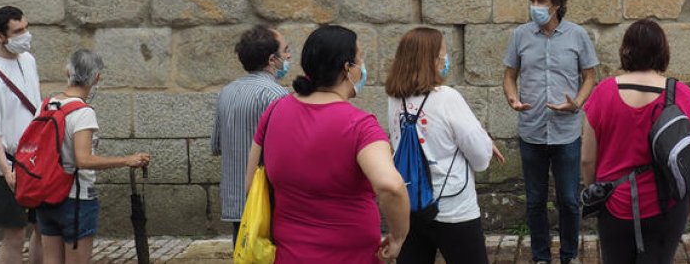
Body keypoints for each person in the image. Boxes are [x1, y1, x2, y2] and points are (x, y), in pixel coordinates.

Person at [246, 24, 409, 263]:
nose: (362, 66)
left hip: (289, 255)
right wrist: (399, 237)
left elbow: (251, 184)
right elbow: (391, 186)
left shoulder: (274, 111)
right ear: (347, 68)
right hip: (351, 256)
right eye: (360, 59)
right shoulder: (360, 125)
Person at [581, 18, 690, 264]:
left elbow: (587, 160)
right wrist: (686, 210)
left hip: (615, 205)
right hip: (665, 208)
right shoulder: (680, 93)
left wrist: (598, 195)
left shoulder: (603, 92)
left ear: (625, 50)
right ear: (663, 51)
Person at [385, 27, 505, 264]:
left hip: (412, 204)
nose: (445, 58)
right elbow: (481, 160)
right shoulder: (447, 98)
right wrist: (483, 140)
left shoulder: (394, 97)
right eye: (443, 53)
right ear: (431, 59)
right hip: (454, 208)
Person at [503, 0, 599, 264]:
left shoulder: (576, 35)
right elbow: (509, 75)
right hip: (531, 131)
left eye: (541, 1)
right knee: (534, 202)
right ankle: (541, 256)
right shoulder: (520, 35)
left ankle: (569, 255)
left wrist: (577, 103)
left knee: (569, 201)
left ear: (557, 4)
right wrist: (512, 98)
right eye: (532, 0)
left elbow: (590, 76)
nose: (535, 6)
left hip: (566, 132)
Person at [37, 49, 152, 264]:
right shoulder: (83, 113)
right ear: (97, 78)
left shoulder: (46, 105)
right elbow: (84, 160)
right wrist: (126, 160)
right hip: (76, 199)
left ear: (67, 72)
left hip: (46, 196)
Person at [0, 5, 44, 264]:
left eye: (26, 27)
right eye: (18, 31)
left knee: (43, 229)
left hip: (36, 161)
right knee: (15, 233)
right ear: (0, 36)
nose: (26, 35)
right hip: (8, 165)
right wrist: (6, 170)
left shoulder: (28, 60)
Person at [212, 25, 290, 238]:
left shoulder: (226, 92)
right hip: (265, 200)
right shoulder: (277, 95)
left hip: (235, 198)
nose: (289, 55)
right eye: (285, 50)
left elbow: (217, 145)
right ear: (272, 60)